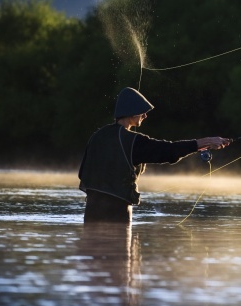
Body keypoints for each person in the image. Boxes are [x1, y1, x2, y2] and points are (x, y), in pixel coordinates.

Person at [79, 87, 231, 223]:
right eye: (142, 111)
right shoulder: (132, 141)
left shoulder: (97, 136)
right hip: (117, 213)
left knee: (93, 252)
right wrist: (206, 141)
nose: (145, 115)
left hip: (91, 211)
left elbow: (83, 173)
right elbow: (168, 150)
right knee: (123, 254)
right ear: (132, 112)